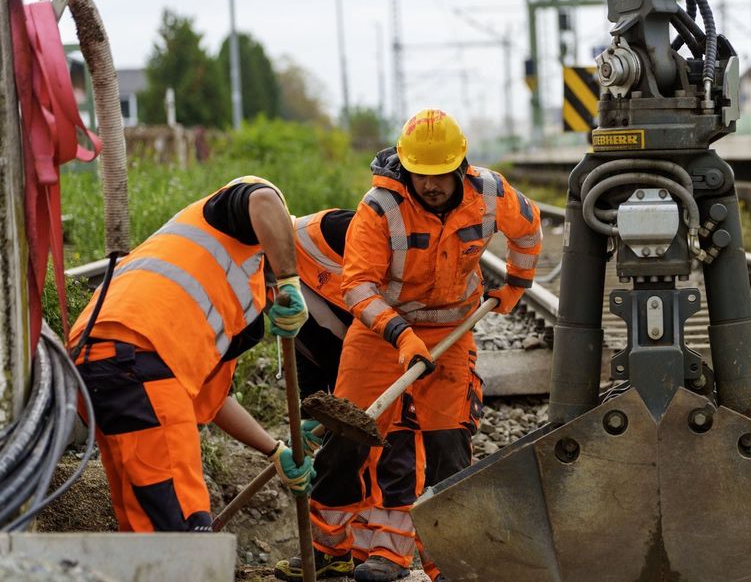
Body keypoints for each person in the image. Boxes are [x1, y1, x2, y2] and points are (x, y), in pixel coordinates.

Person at [274, 109, 543, 582]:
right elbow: (357, 286)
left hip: (452, 333)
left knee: (448, 449)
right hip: (381, 334)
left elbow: (529, 228)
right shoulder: (379, 209)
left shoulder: (492, 194)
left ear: (460, 167)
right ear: (406, 168)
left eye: (440, 175)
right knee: (346, 442)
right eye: (422, 175)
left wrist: (517, 285)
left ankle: (452, 561)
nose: (431, 185)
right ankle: (329, 549)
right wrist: (402, 337)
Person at [68, 176, 315, 532]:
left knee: (146, 527)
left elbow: (214, 401)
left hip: (98, 362)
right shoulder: (233, 227)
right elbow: (262, 198)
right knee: (181, 528)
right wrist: (290, 278)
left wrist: (274, 451)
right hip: (140, 358)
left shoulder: (224, 298)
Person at [290, 208, 355, 458]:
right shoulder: (263, 279)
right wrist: (310, 409)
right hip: (350, 382)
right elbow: (304, 345)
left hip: (400, 353)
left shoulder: (328, 230)